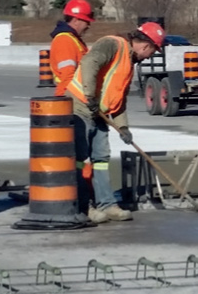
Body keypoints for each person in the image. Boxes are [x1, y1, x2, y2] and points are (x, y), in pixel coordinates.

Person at [66, 21, 163, 222]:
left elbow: (119, 99)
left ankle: (106, 204)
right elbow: (89, 62)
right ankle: (83, 206)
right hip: (80, 108)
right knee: (79, 159)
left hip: (99, 113)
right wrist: (90, 96)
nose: (150, 56)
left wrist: (123, 126)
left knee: (101, 159)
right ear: (146, 46)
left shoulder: (128, 62)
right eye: (152, 52)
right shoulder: (112, 44)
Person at [49, 0, 93, 96]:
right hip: (70, 98)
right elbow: (67, 76)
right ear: (76, 20)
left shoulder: (74, 39)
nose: (88, 25)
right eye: (86, 21)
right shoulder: (64, 40)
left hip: (74, 97)